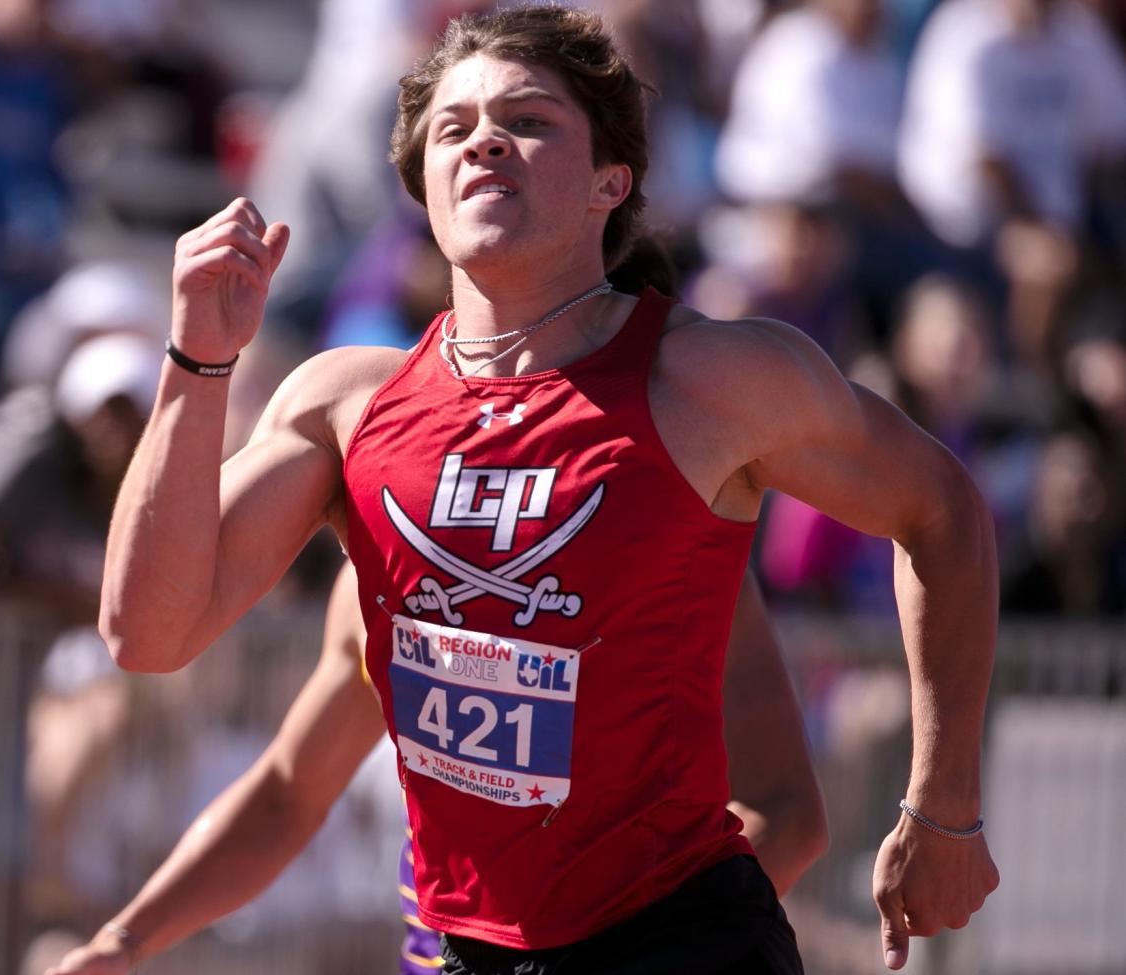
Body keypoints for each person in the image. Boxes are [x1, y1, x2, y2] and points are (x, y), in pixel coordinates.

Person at [97, 6, 999, 972]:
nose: (484, 138)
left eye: (528, 119)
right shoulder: (342, 409)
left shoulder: (710, 384)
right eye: (454, 127)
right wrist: (198, 361)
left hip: (675, 939)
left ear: (612, 181)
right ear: (423, 190)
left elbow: (940, 509)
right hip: (456, 950)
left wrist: (942, 807)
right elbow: (150, 635)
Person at [46, 557, 827, 974]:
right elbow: (288, 791)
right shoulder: (379, 574)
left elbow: (787, 814)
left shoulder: (684, 541)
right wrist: (125, 939)